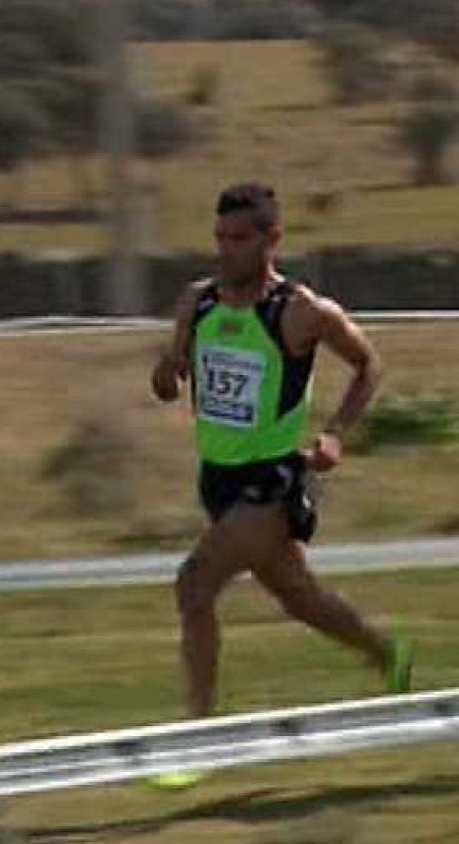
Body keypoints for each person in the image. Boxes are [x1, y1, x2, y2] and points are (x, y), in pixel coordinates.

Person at [150, 183, 412, 783]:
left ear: (272, 239)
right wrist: (166, 373)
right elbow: (171, 382)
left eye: (240, 239)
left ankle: (198, 740)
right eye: (220, 238)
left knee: (194, 587)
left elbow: (369, 364)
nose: (226, 251)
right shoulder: (199, 304)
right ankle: (386, 653)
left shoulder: (300, 312)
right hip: (216, 480)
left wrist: (337, 433)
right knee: (300, 598)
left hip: (271, 482)